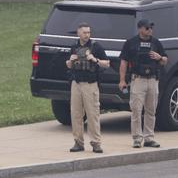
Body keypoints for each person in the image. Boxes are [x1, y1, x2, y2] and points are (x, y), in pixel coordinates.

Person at [119, 19, 168, 148]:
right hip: (137, 79)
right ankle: (136, 138)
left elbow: (165, 60)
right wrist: (122, 80)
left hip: (152, 79)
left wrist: (160, 57)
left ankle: (149, 138)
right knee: (136, 110)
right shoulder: (131, 43)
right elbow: (123, 62)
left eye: (151, 28)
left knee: (151, 110)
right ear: (140, 29)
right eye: (147, 28)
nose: (150, 30)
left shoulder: (156, 42)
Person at [65, 23, 110, 154]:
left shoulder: (96, 46)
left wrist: (95, 59)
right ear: (78, 33)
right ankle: (78, 142)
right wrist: (70, 61)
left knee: (92, 114)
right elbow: (68, 65)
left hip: (90, 84)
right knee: (76, 114)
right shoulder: (74, 46)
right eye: (84, 32)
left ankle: (96, 143)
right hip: (76, 84)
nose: (87, 35)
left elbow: (107, 63)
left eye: (89, 32)